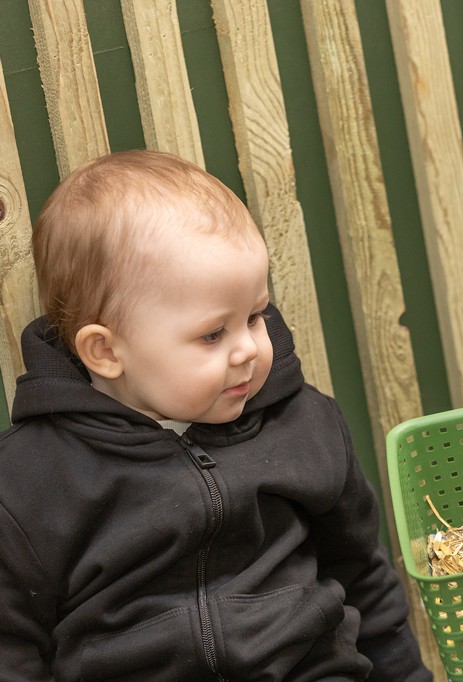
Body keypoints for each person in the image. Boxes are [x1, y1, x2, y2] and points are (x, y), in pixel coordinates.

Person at [0, 150, 432, 681]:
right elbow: (11, 648)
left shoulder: (301, 424)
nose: (248, 349)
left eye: (254, 316)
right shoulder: (30, 482)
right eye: (212, 334)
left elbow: (362, 574)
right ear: (106, 352)